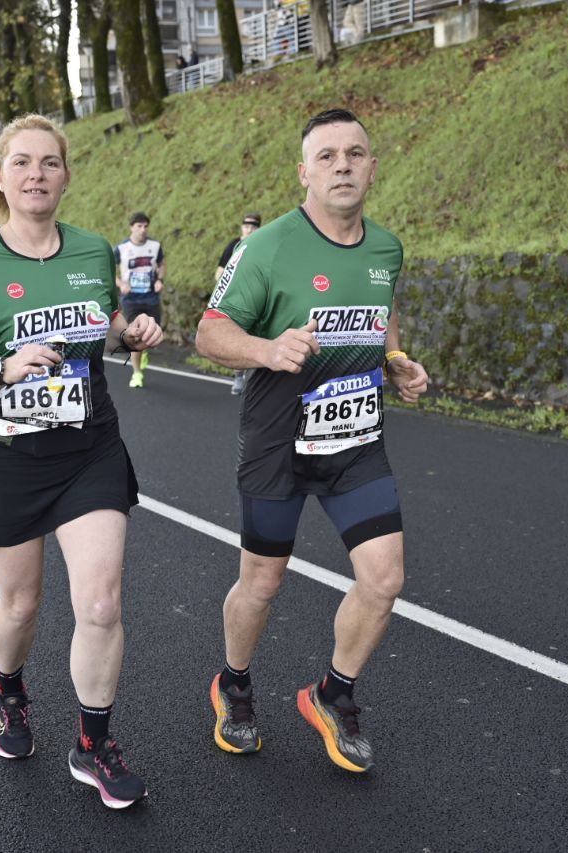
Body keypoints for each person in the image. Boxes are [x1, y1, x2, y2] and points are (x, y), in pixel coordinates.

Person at [0, 114, 162, 809]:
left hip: (85, 447)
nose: (37, 174)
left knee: (99, 600)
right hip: (3, 453)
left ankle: (94, 744)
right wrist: (1, 367)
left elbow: (109, 329)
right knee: (21, 602)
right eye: (22, 163)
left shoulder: (95, 251)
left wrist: (132, 333)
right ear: (0, 177)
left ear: (66, 175)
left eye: (50, 163)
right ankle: (9, 688)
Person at [195, 108, 430, 773]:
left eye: (355, 153)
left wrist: (397, 359)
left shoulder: (386, 247)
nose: (343, 166)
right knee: (262, 581)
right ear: (304, 172)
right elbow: (210, 334)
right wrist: (268, 348)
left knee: (384, 579)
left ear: (373, 166)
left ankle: (332, 693)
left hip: (356, 441)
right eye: (326, 156)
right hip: (279, 441)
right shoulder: (265, 247)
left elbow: (380, 313)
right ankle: (234, 683)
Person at [114, 211, 165, 388]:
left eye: (145, 226)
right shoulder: (121, 248)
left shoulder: (155, 246)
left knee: (152, 335)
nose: (143, 230)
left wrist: (160, 279)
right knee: (136, 337)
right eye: (139, 226)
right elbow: (108, 269)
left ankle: (143, 352)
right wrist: (120, 284)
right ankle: (136, 373)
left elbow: (161, 264)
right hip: (131, 300)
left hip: (151, 298)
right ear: (131, 227)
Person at [215, 212, 263, 395]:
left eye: (253, 226)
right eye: (246, 225)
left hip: (258, 296)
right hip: (237, 298)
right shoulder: (234, 245)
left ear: (259, 228)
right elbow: (219, 273)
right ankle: (239, 376)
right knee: (238, 337)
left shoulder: (263, 245)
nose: (249, 229)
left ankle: (257, 379)